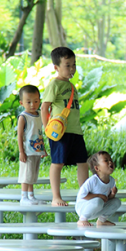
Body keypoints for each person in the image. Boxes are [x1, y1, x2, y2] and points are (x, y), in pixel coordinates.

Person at [41, 46, 89, 206]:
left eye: (74, 64)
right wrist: (47, 128)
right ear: (56, 67)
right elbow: (44, 107)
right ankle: (56, 197)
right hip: (59, 132)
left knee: (83, 162)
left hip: (76, 131)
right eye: (67, 65)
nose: (72, 68)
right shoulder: (55, 84)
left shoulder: (72, 86)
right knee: (58, 163)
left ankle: (84, 194)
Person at [16, 84, 48, 205]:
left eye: (35, 101)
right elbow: (19, 135)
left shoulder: (39, 115)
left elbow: (40, 134)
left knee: (33, 174)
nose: (32, 105)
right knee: (26, 174)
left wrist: (43, 150)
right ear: (21, 103)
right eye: (28, 102)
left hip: (36, 150)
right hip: (27, 151)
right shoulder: (23, 117)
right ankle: (24, 196)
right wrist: (21, 152)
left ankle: (31, 195)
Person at [75, 151, 121, 227]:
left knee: (116, 202)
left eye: (111, 160)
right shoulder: (93, 181)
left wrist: (112, 194)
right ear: (97, 168)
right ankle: (82, 220)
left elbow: (107, 199)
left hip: (98, 208)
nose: (110, 162)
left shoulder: (111, 180)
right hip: (84, 209)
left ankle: (101, 220)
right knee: (98, 201)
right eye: (106, 160)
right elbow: (82, 195)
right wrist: (99, 195)